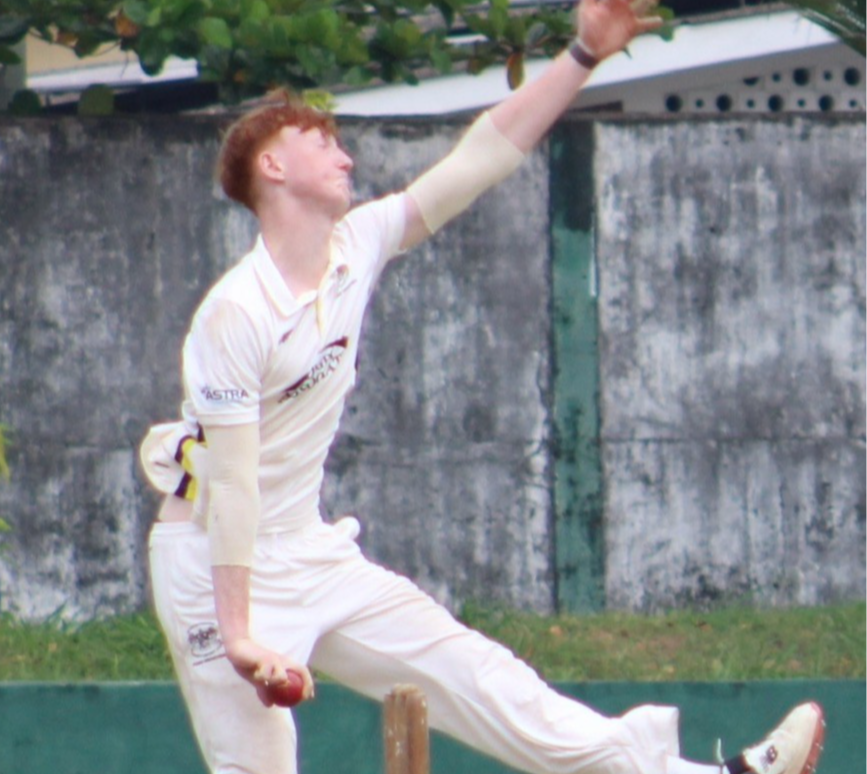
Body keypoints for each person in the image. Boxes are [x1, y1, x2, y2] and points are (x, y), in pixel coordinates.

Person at [140, 1, 826, 773]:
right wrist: (240, 638)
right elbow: (231, 486)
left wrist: (581, 55)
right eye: (321, 142)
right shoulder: (236, 314)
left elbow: (481, 157)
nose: (346, 156)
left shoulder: (353, 247)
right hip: (212, 566)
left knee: (489, 684)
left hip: (306, 549)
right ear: (271, 167)